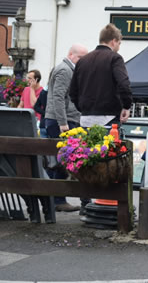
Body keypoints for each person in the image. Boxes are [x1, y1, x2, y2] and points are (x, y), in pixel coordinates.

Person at [44, 44, 89, 213]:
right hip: (61, 121)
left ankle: (58, 199)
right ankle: (58, 200)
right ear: (71, 54)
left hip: (63, 119)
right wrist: (63, 123)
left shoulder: (68, 69)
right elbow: (58, 97)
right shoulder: (65, 70)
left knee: (62, 161)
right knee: (62, 161)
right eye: (80, 58)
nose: (82, 61)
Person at [69, 23, 133, 128]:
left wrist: (82, 107)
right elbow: (124, 84)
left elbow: (73, 91)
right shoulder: (115, 58)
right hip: (109, 116)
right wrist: (126, 106)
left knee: (87, 145)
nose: (119, 47)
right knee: (108, 144)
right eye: (119, 43)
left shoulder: (83, 60)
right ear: (113, 41)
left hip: (85, 117)